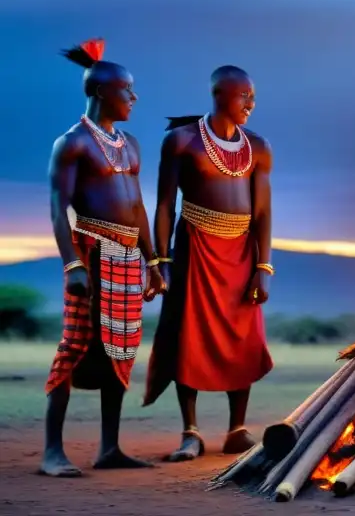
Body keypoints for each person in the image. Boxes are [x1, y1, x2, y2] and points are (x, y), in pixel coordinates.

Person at [42, 39, 165, 477]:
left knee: (122, 347)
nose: (133, 97)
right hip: (91, 251)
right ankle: (52, 452)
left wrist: (153, 262)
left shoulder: (130, 144)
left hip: (130, 257)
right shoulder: (72, 143)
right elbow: (59, 208)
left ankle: (109, 448)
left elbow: (137, 206)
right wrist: (73, 264)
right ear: (99, 92)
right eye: (126, 89)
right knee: (75, 345)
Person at [143, 66, 274, 461]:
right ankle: (191, 432)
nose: (251, 103)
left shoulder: (258, 146)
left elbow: (264, 213)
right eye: (243, 96)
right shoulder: (181, 142)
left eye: (253, 96)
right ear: (219, 94)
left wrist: (263, 268)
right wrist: (160, 260)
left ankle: (237, 430)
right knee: (190, 336)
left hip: (242, 251)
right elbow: (165, 204)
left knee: (243, 338)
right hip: (195, 247)